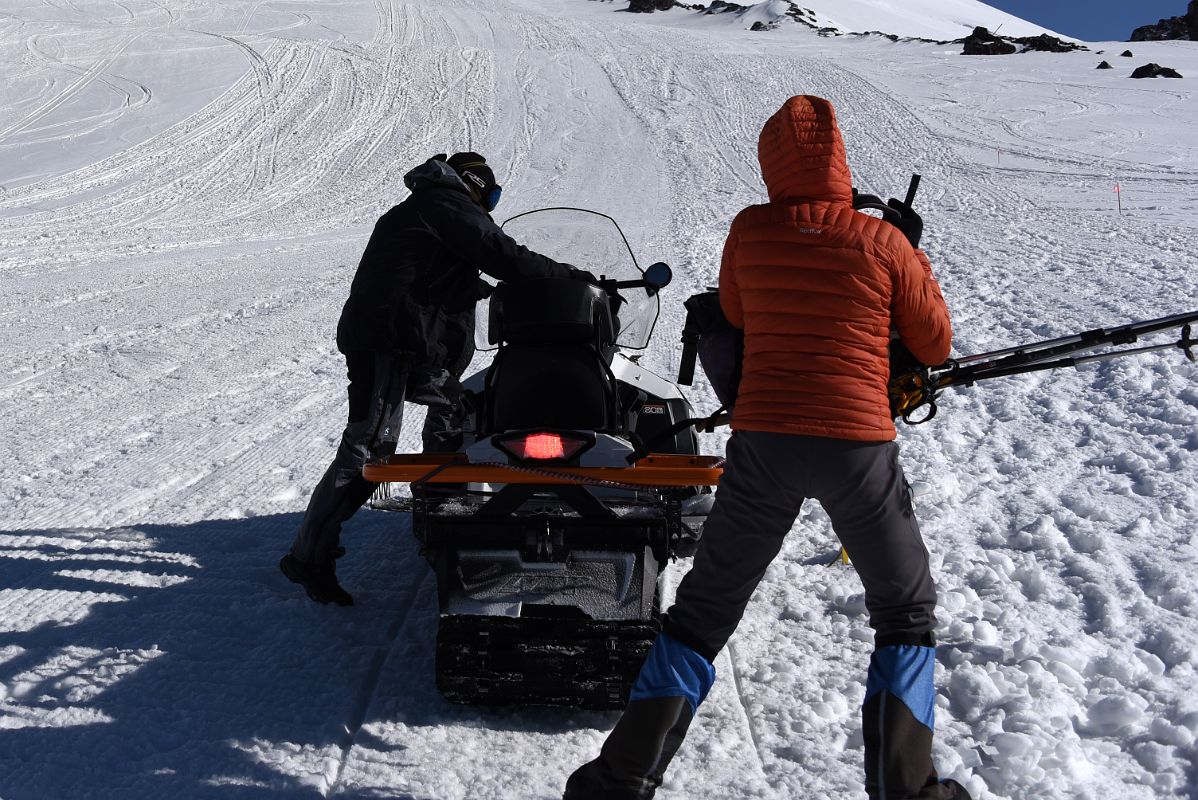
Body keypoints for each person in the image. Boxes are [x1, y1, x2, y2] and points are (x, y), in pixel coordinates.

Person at [564, 96, 969, 799]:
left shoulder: (750, 230)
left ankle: (620, 779)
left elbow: (739, 312)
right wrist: (908, 248)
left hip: (766, 442)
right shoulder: (882, 242)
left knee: (704, 612)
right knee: (903, 610)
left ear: (771, 163)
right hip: (856, 446)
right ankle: (908, 788)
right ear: (841, 160)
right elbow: (933, 341)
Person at [281, 152, 590, 606]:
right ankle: (308, 556)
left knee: (456, 414)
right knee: (369, 447)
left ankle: (444, 518)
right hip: (390, 341)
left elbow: (432, 275)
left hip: (406, 340)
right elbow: (500, 253)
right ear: (474, 185)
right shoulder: (445, 203)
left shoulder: (430, 208)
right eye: (492, 195)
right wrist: (565, 279)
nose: (490, 205)